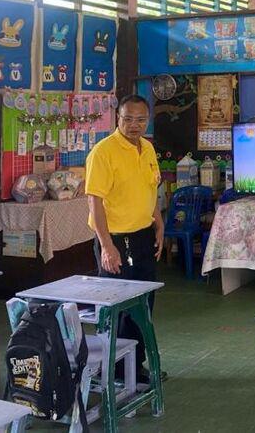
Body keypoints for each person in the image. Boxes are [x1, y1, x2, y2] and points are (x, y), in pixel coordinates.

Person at [85, 93, 166, 383]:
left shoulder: (148, 148)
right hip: (117, 241)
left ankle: (136, 366)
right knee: (118, 308)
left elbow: (150, 189)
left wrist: (159, 222)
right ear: (117, 118)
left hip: (143, 236)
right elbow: (94, 201)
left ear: (148, 120)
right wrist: (107, 246)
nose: (134, 125)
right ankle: (114, 370)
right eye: (128, 118)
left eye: (140, 119)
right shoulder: (103, 152)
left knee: (143, 304)